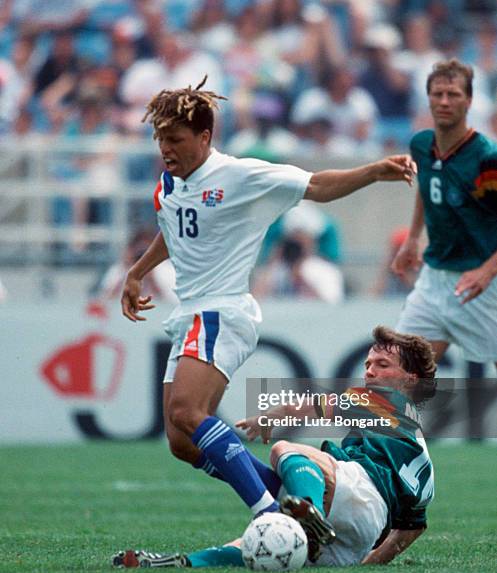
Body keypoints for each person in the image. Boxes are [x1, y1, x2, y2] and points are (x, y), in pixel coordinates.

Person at [120, 75, 417, 520]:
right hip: (189, 314)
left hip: (222, 309)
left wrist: (373, 171)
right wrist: (138, 271)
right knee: (181, 441)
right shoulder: (169, 185)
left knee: (186, 410)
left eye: (175, 139)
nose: (166, 149)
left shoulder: (240, 175)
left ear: (204, 137)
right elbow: (175, 231)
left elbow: (317, 184)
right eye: (160, 139)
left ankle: (268, 515)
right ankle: (290, 498)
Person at [113, 326, 436, 569]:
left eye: (382, 364)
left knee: (285, 450)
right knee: (260, 543)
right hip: (356, 539)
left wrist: (270, 416)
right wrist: (370, 562)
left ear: (411, 379)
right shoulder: (422, 460)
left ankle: (312, 518)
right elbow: (411, 528)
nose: (369, 371)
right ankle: (185, 563)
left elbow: (312, 407)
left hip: (354, 497)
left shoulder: (386, 401)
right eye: (368, 364)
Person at [392, 59, 497, 366]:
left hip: (481, 286)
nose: (444, 101)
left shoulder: (486, 159)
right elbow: (427, 186)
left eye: (453, 94)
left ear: (469, 101)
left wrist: (486, 271)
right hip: (433, 282)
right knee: (396, 381)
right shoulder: (422, 144)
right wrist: (412, 238)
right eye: (437, 94)